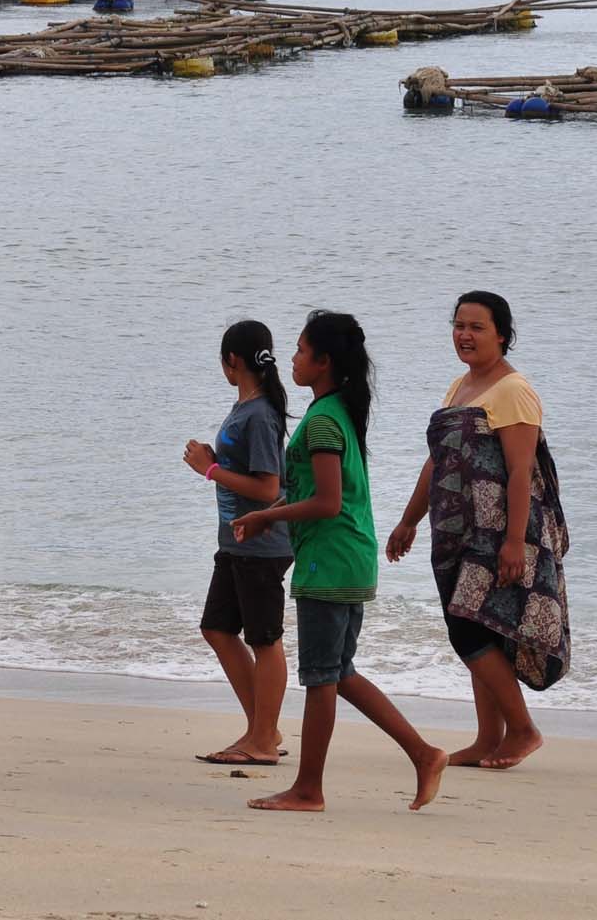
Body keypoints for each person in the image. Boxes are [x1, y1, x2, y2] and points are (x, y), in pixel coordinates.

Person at [232, 311, 447, 813]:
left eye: (302, 351)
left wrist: (268, 515)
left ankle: (309, 789)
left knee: (322, 677)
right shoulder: (337, 410)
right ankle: (423, 753)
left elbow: (328, 501)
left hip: (329, 561)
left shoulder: (326, 419)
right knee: (336, 672)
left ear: (324, 362)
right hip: (346, 558)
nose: (292, 359)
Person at [386, 291, 571, 772]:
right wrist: (410, 519)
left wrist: (513, 542)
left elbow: (519, 472)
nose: (464, 335)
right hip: (456, 529)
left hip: (497, 533)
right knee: (481, 627)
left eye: (477, 327)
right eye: (459, 325)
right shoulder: (460, 386)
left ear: (503, 336)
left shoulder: (514, 391)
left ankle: (523, 729)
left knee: (466, 627)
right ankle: (489, 738)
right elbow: (438, 461)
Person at [181, 320, 292, 766]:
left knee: (265, 639)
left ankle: (262, 739)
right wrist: (217, 459)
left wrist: (207, 469)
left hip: (263, 543)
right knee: (217, 628)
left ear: (232, 361)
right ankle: (262, 728)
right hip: (235, 541)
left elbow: (268, 489)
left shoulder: (261, 413)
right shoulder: (244, 406)